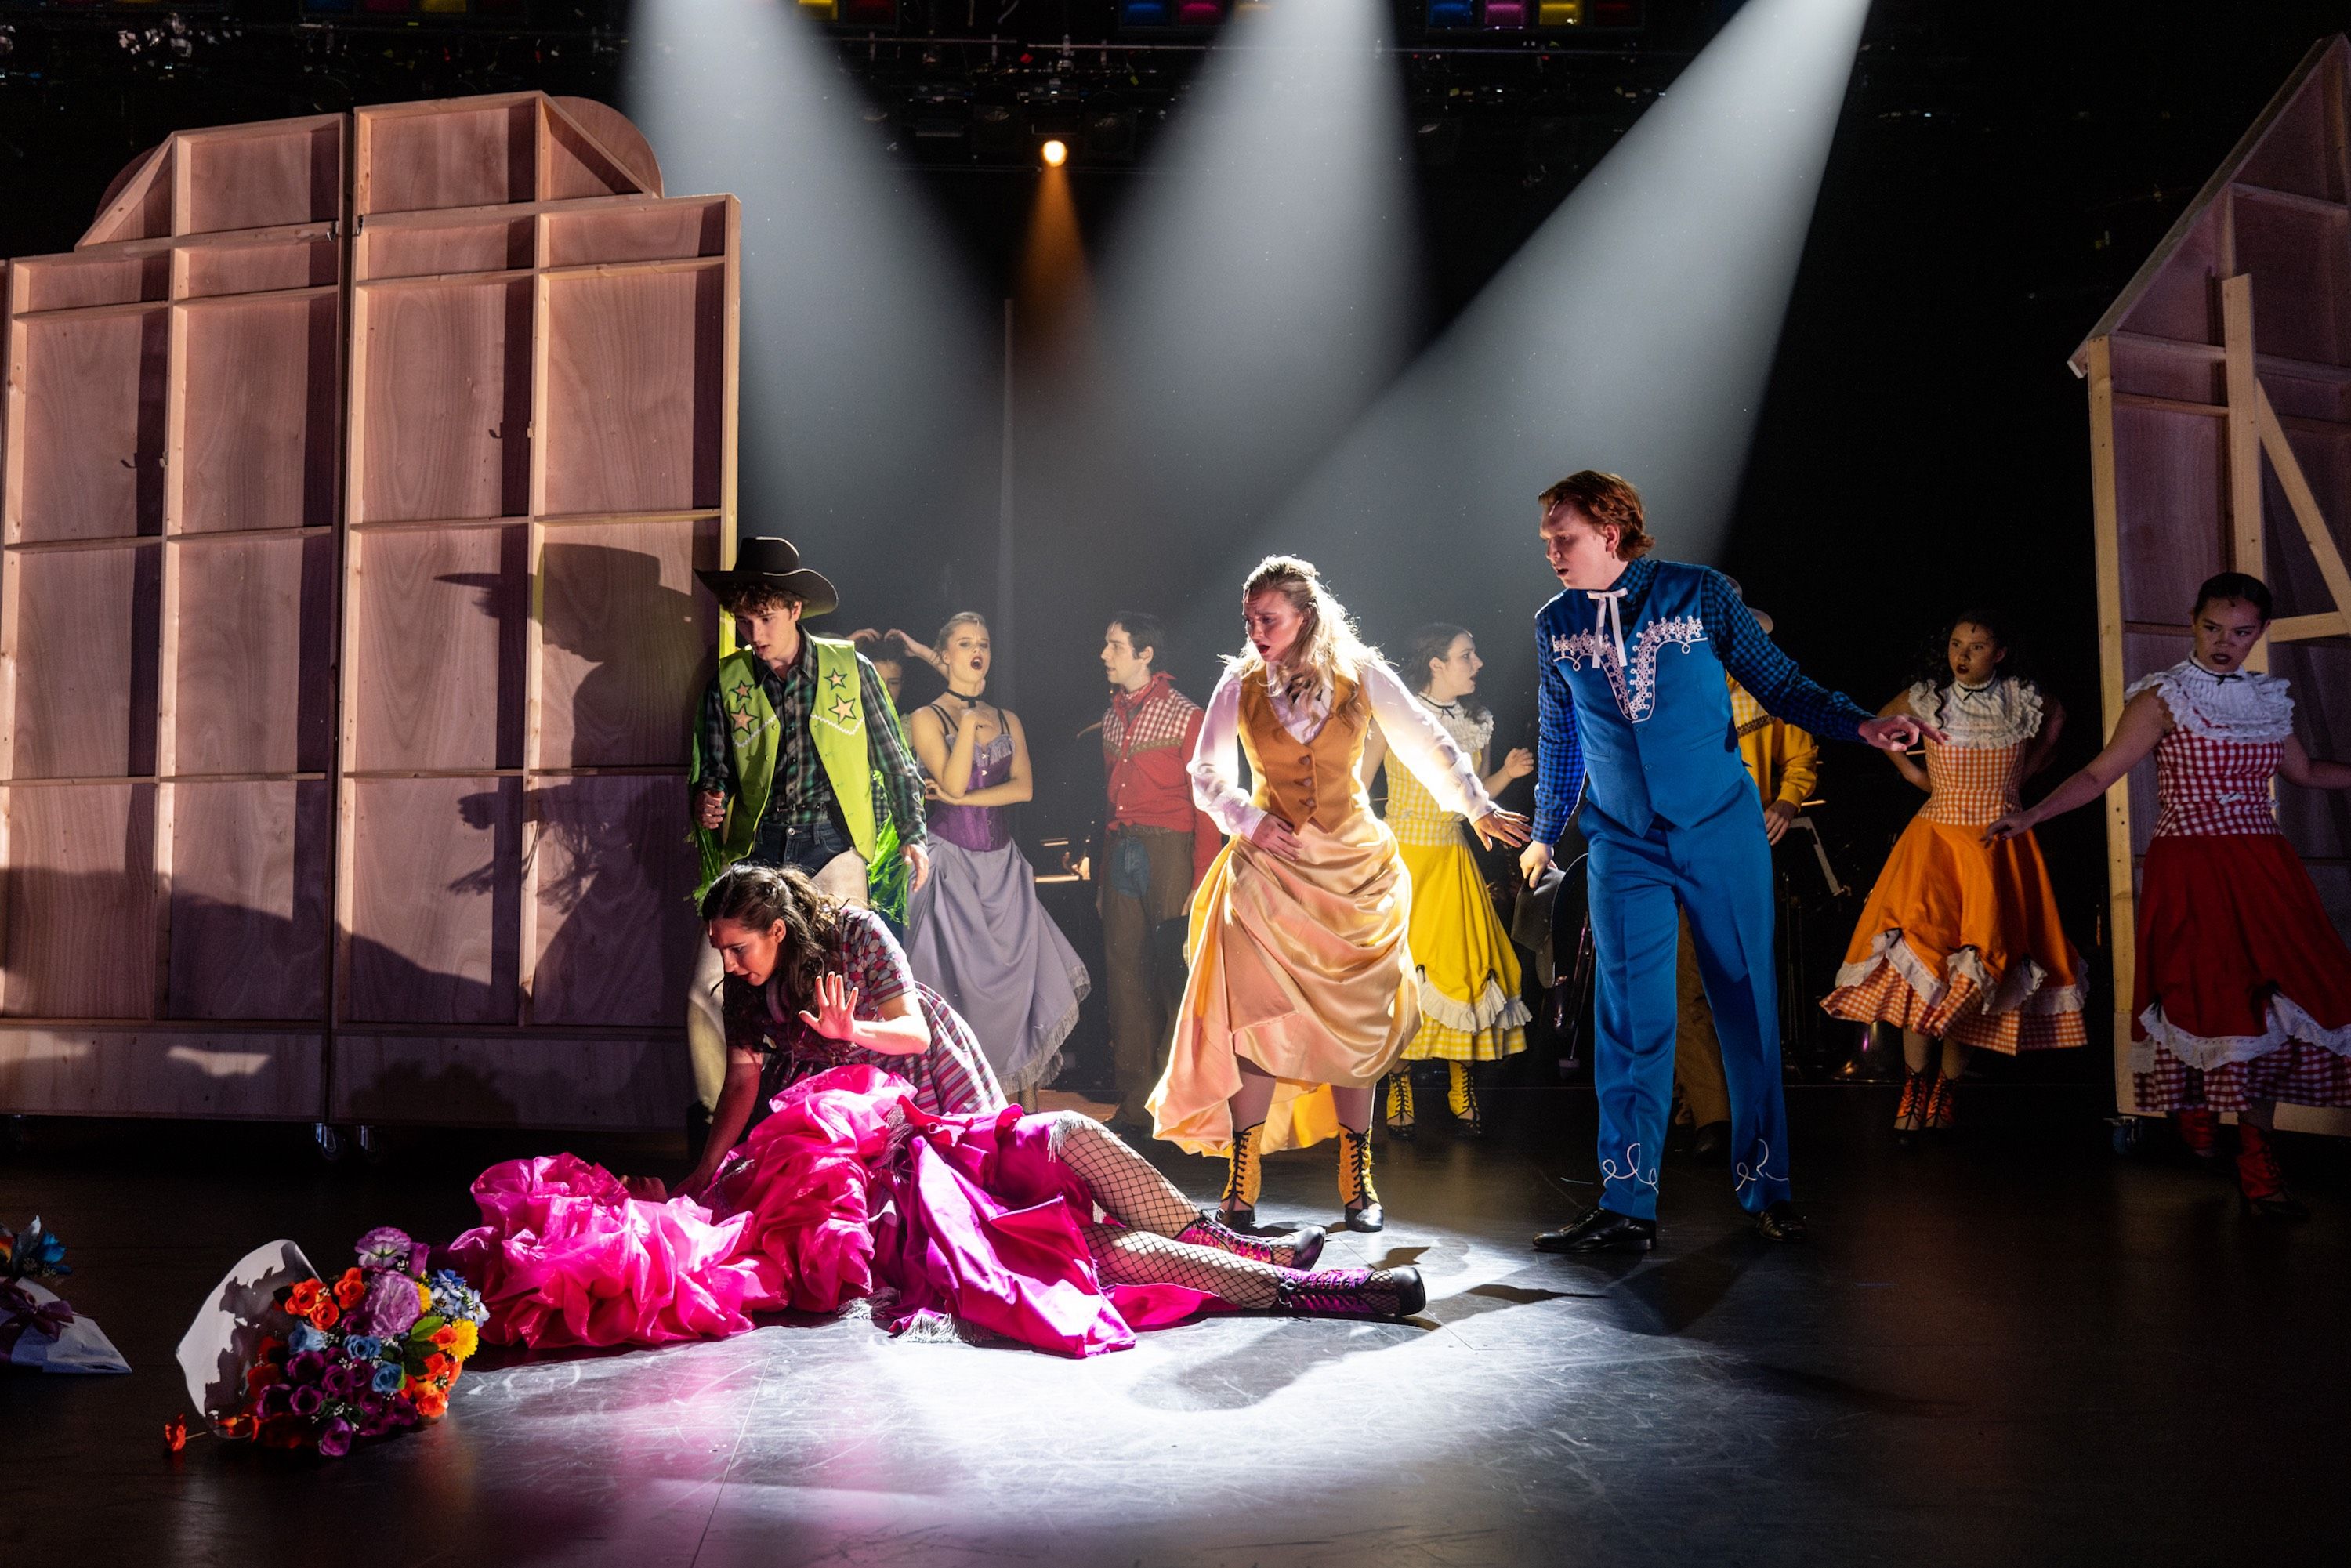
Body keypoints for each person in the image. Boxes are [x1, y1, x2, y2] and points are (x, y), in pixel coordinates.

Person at [447, 863, 1425, 1360]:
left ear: (778, 929)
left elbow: (912, 1031)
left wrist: (852, 1033)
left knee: (1068, 1139)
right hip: (873, 1157)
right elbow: (743, 1091)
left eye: (738, 946)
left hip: (930, 1096)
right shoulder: (749, 995)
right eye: (722, 949)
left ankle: (1240, 1245)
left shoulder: (854, 936)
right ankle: (1312, 1289)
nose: (728, 963)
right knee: (1065, 1244)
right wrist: (701, 1182)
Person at [1520, 473, 1934, 1253]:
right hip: (1624, 842)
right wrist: (1546, 829)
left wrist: (1864, 726)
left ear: (1610, 532)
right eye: (1546, 539)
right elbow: (1562, 736)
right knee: (1630, 1019)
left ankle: (1767, 1188)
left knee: (1745, 1006)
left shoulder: (1699, 594)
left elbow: (1782, 686)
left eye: (1562, 537)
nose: (1550, 552)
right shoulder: (1555, 623)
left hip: (1719, 830)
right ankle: (1626, 1201)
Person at [1153, 557, 1531, 1234]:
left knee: (1358, 1024)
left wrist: (1476, 804)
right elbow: (1205, 771)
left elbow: (1426, 740)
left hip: (1354, 871)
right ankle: (1243, 1176)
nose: (1255, 630)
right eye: (1250, 619)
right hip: (1271, 872)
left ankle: (1357, 1176)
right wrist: (1247, 818)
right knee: (1255, 1019)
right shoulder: (1240, 681)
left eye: (1268, 618)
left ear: (1305, 615)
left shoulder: (1360, 672)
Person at [1985, 574, 2351, 1218]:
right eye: (2213, 627)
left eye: (2241, 632)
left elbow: (2306, 772)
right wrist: (2032, 815)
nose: (2224, 642)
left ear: (2260, 633)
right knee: (2209, 994)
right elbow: (2099, 772)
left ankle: (2256, 1156)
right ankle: (2199, 1103)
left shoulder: (2266, 698)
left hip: (2262, 863)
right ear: (2193, 620)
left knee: (2276, 1000)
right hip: (2192, 864)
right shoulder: (2164, 696)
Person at [686, 537, 931, 1137]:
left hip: (833, 843)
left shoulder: (851, 669)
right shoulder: (729, 680)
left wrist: (913, 833)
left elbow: (896, 760)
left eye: (765, 618)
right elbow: (713, 770)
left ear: (795, 610)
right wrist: (708, 799)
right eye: (744, 620)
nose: (754, 633)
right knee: (706, 986)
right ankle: (722, 1119)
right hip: (759, 849)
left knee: (841, 988)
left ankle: (844, 1122)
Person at [1824, 611, 2085, 1139]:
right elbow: (1878, 723)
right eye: (1956, 644)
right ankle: (1913, 1086)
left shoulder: (2022, 698)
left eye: (1976, 646)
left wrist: (2025, 774)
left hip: (1994, 848)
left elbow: (2057, 720)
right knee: (1923, 962)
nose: (1962, 655)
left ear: (2000, 652)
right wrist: (1911, 770)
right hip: (1936, 845)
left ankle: (1946, 1090)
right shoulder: (1929, 697)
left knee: (1976, 969)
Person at [902, 613, 1091, 1101]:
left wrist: (963, 798)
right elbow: (950, 782)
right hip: (951, 866)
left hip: (1003, 866)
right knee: (961, 987)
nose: (977, 651)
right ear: (945, 655)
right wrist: (966, 726)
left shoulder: (1008, 718)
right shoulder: (926, 717)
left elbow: (1023, 789)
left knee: (1015, 985)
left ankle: (1024, 1111)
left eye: (983, 643)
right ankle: (967, 1106)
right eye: (965, 643)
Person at [1360, 623, 1534, 1140]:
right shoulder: (1393, 716)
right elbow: (1356, 787)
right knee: (1400, 979)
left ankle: (1462, 1083)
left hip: (1452, 858)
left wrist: (1505, 776)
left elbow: (1473, 799)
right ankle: (1400, 1085)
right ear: (1436, 664)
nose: (1477, 664)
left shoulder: (1478, 721)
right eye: (1466, 655)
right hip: (1403, 860)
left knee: (1462, 970)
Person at [1668, 592, 1820, 1164]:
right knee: (1681, 986)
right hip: (1677, 850)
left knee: (1731, 984)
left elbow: (1801, 756)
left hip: (1735, 854)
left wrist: (1785, 802)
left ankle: (1715, 1108)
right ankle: (1711, 1114)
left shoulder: (1765, 690)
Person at [1099, 612, 1223, 1132]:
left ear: (1145, 654)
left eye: (1115, 645)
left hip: (1170, 848)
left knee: (1176, 976)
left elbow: (1206, 805)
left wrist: (1201, 877)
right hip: (1122, 849)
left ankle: (1181, 1104)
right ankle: (1136, 1100)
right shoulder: (1112, 715)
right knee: (1125, 975)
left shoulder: (1186, 715)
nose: (1105, 654)